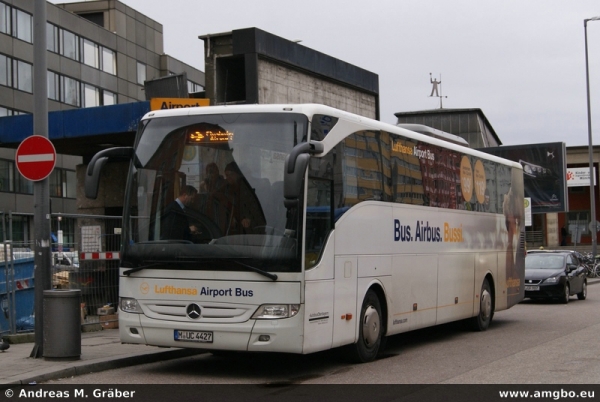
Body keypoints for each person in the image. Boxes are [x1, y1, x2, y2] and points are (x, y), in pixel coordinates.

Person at [213, 162, 266, 235]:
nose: (228, 178)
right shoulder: (227, 187)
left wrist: (248, 218)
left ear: (237, 174)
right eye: (227, 175)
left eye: (231, 174)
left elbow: (255, 206)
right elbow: (216, 195)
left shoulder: (246, 188)